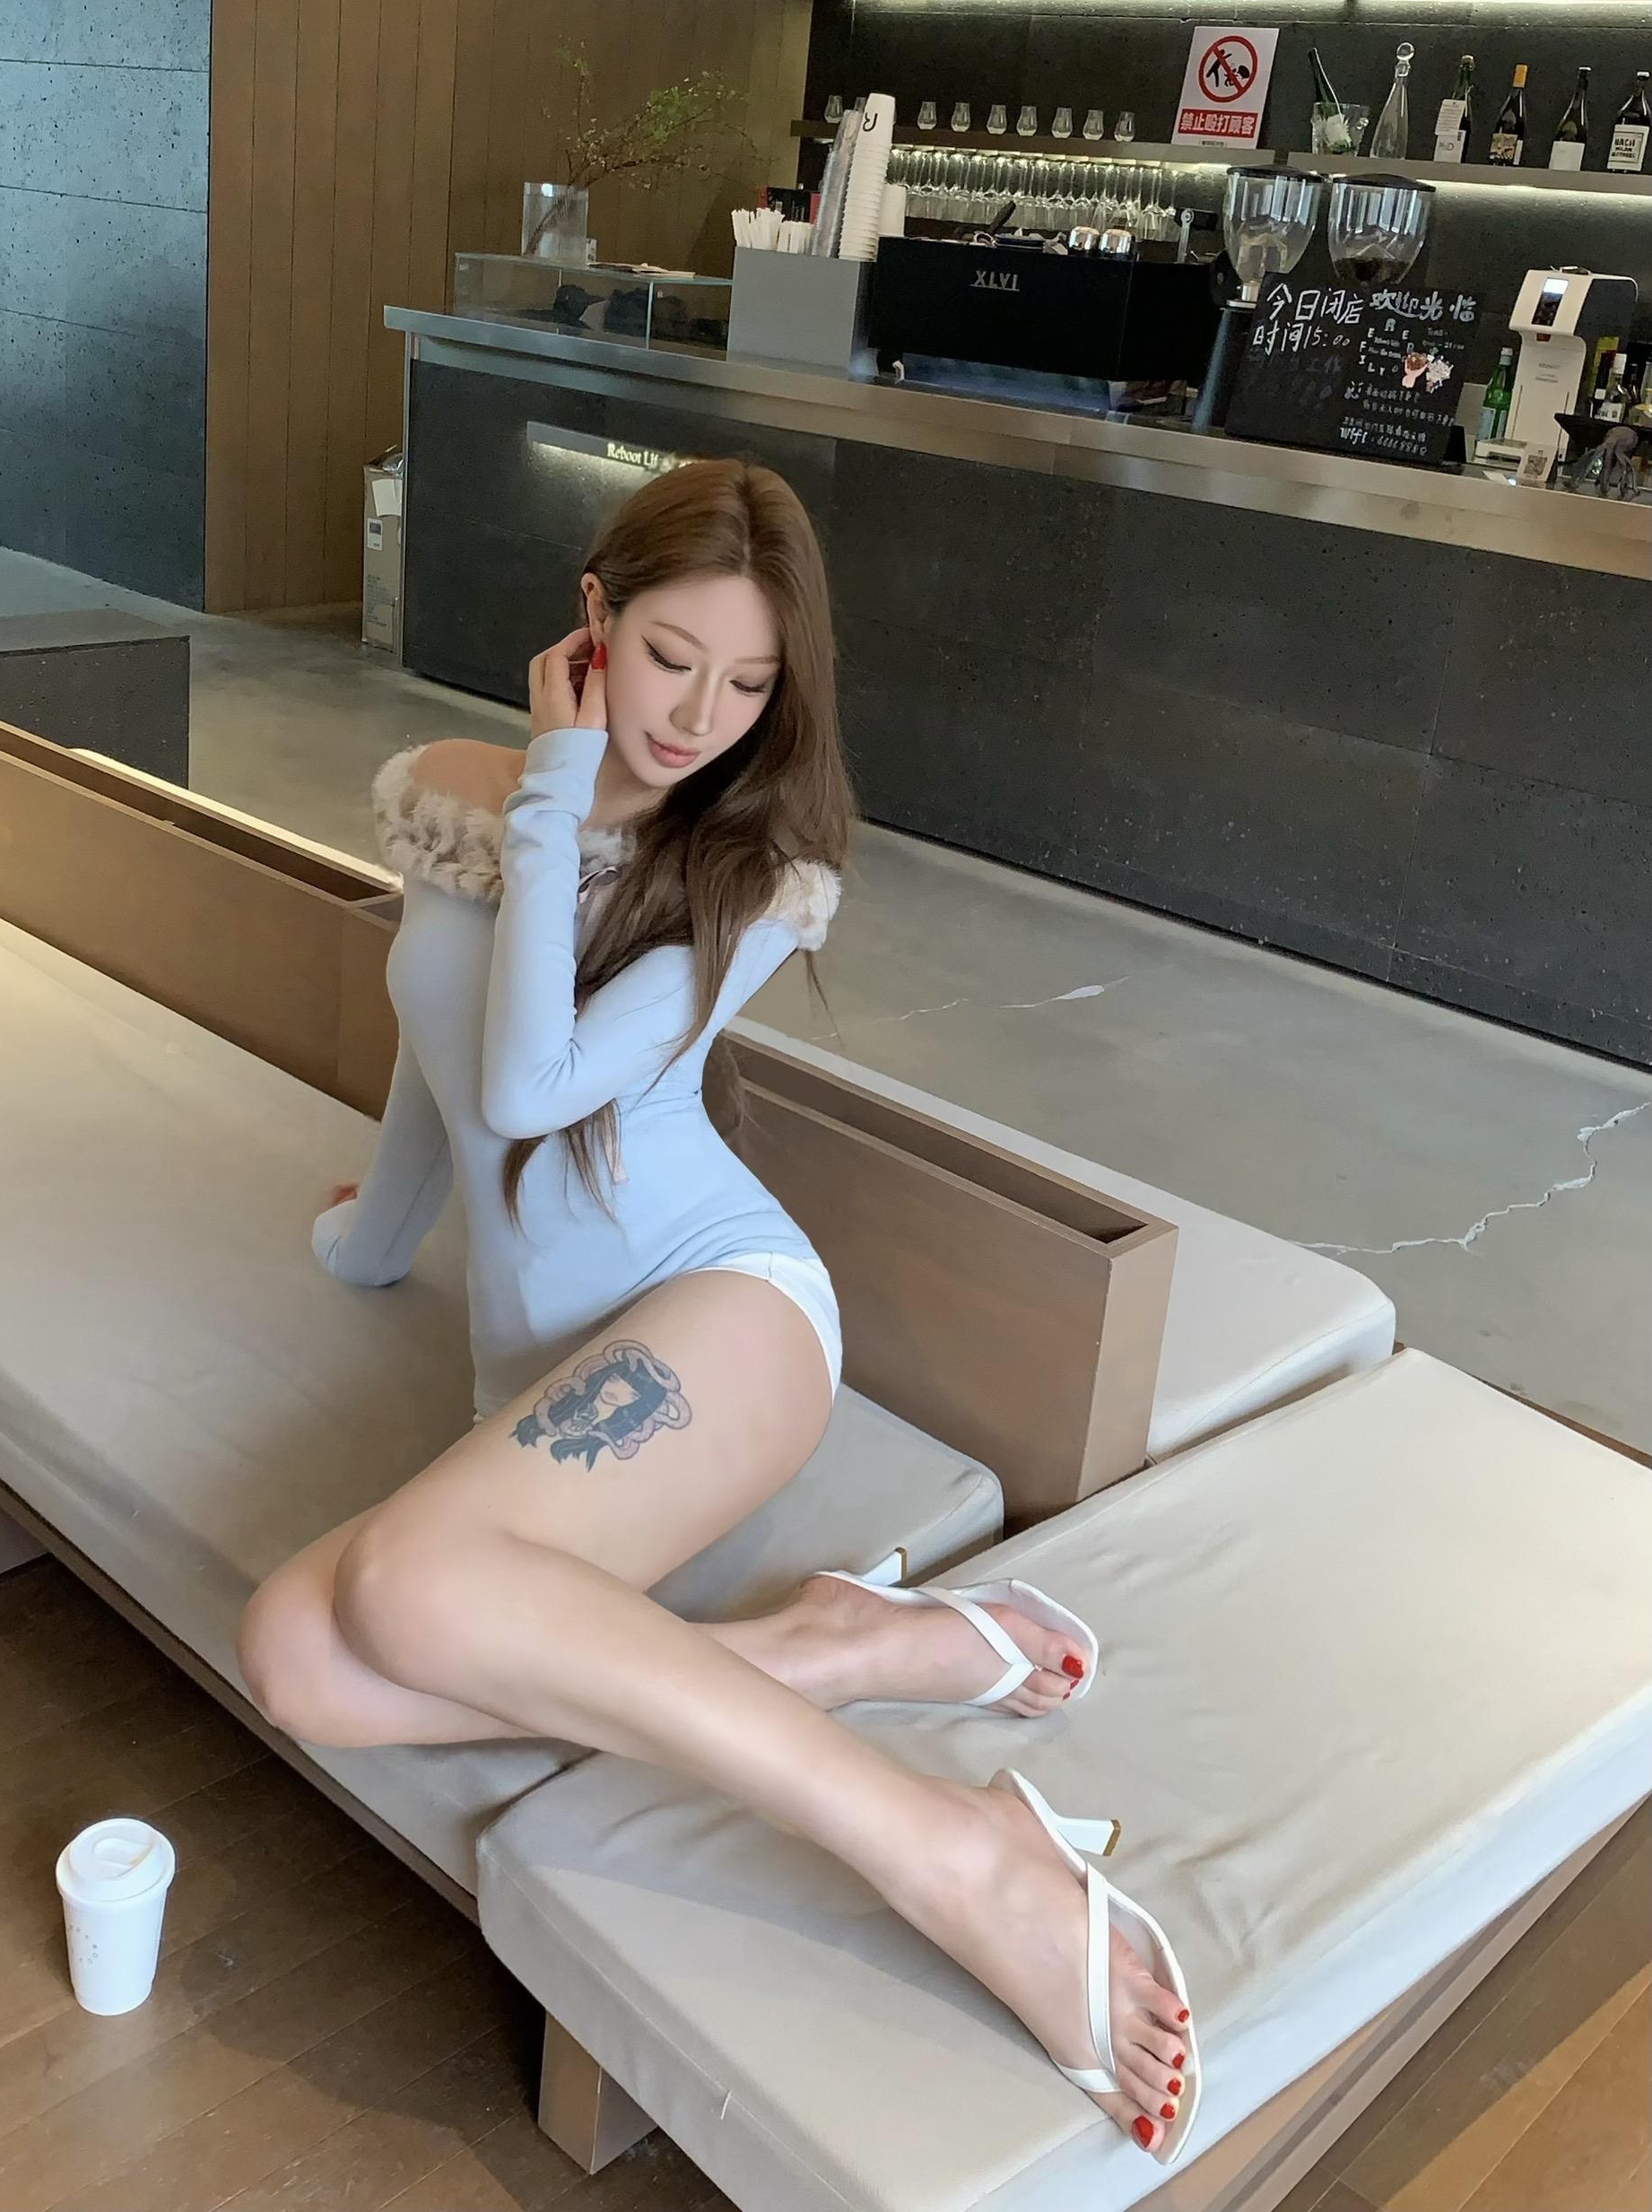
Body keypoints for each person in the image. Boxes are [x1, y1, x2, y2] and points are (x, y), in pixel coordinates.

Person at [239, 459, 1195, 2157]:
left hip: (725, 1316)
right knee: (296, 1656)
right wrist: (373, 1247)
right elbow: (442, 1055)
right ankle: (827, 1651)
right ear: (592, 616)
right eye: (673, 657)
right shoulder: (454, 793)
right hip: (549, 1389)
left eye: (749, 685)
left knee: (397, 1586)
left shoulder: (752, 876)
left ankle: (953, 1852)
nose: (698, 718)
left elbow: (530, 1089)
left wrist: (557, 790)